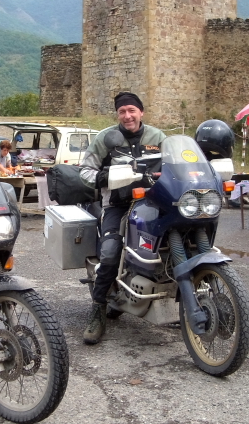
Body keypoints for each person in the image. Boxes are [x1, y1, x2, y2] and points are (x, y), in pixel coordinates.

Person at [79, 92, 166, 344]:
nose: (127, 116)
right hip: (119, 204)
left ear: (141, 112)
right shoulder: (105, 138)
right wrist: (102, 178)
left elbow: (176, 163)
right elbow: (84, 170)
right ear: (117, 114)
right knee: (110, 252)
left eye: (132, 110)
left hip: (154, 201)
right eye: (122, 111)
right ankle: (98, 310)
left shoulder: (158, 137)